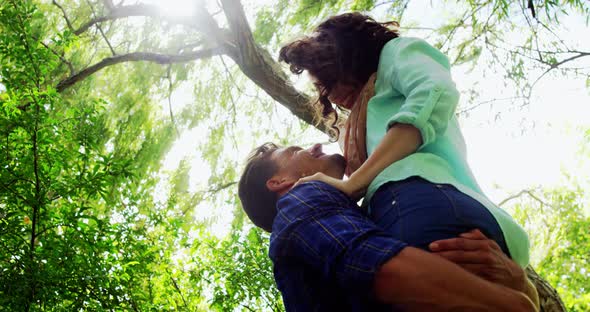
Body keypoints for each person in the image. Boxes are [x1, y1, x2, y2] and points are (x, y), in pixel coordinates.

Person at [279, 13, 531, 269]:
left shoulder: (394, 55)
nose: (329, 96)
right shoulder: (360, 124)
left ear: (340, 58)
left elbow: (434, 92)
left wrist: (353, 183)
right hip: (406, 214)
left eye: (325, 83)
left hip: (419, 199)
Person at [238, 142, 538, 311]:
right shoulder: (302, 199)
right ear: (281, 183)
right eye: (295, 150)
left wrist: (516, 279)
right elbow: (376, 266)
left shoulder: (356, 215)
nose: (315, 144)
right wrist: (515, 304)